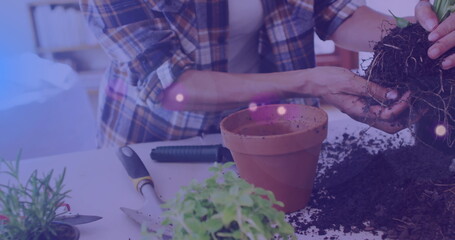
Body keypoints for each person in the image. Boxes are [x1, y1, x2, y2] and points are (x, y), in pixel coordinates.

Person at [80, 0, 447, 147]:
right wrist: (308, 81)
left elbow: (335, 12)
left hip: (267, 128)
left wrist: (424, 35)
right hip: (162, 141)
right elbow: (169, 85)